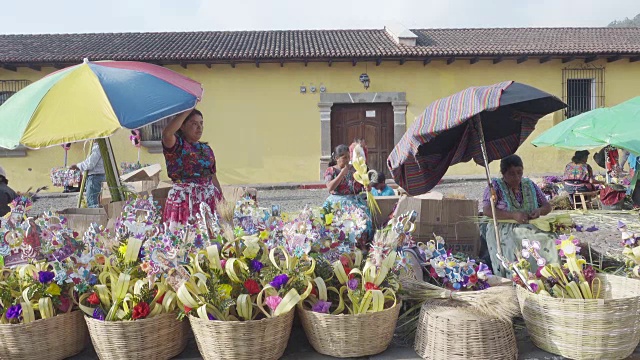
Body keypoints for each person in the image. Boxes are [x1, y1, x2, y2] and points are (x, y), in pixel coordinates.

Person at [481, 155, 558, 276]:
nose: (517, 177)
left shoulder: (529, 184)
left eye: (519, 172)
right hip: (504, 228)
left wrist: (539, 211)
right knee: (520, 242)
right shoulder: (495, 187)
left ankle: (549, 274)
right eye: (512, 174)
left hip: (530, 225)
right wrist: (512, 215)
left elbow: (547, 206)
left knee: (552, 238)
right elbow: (487, 210)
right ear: (503, 173)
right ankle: (523, 277)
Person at [162, 109, 223, 228]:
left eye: (201, 123)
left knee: (212, 237)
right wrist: (186, 110)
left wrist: (221, 199)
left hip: (208, 199)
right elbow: (167, 134)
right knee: (185, 237)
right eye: (194, 123)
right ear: (182, 126)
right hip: (184, 200)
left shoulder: (206, 149)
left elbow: (212, 176)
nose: (199, 128)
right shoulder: (176, 146)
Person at [324, 144, 373, 245]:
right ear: (337, 158)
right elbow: (330, 188)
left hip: (354, 200)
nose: (347, 160)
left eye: (348, 157)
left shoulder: (354, 169)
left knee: (364, 219)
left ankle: (362, 244)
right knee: (339, 224)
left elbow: (361, 184)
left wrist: (367, 186)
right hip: (337, 202)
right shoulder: (331, 170)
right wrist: (342, 173)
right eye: (344, 157)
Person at [70, 142, 105, 208]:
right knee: (95, 201)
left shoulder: (97, 147)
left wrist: (77, 166)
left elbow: (90, 163)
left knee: (93, 203)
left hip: (94, 177)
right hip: (97, 176)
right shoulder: (98, 147)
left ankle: (95, 217)